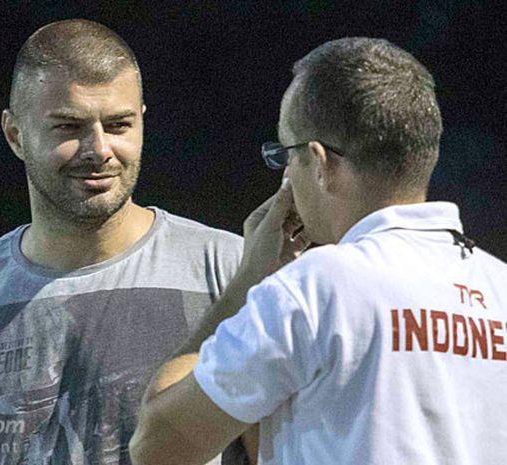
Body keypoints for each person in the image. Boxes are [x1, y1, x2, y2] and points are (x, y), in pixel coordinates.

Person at [0, 19, 245, 465]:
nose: (99, 149)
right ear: (15, 135)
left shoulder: (229, 269)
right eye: (69, 127)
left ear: (143, 121)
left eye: (119, 124)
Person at [130, 37, 507, 465]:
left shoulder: (314, 288)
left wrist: (248, 282)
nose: (287, 173)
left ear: (320, 162)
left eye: (285, 155)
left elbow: (156, 445)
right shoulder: (499, 287)